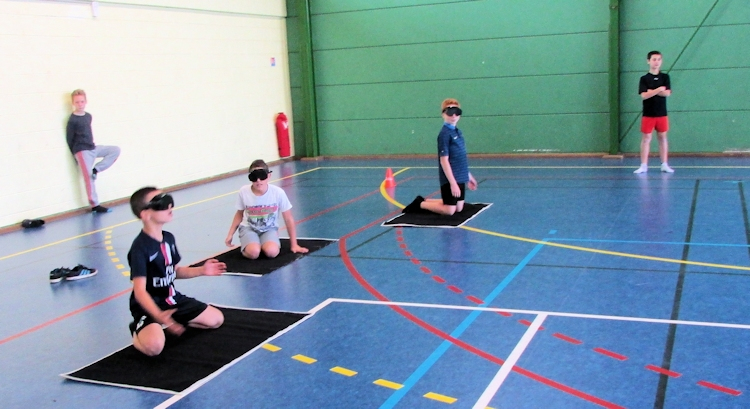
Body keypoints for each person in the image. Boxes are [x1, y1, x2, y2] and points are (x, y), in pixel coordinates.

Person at [127, 187, 225, 356]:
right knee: (154, 348)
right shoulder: (140, 248)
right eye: (160, 203)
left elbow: (175, 271)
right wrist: (159, 315)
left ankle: (171, 319)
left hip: (172, 299)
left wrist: (202, 270)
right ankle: (137, 330)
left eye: (168, 200)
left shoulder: (169, 239)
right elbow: (140, 291)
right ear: (145, 214)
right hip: (148, 306)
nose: (169, 206)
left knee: (216, 320)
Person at [403, 98, 478, 215]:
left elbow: (461, 158)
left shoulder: (458, 132)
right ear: (443, 114)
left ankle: (426, 200)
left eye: (456, 112)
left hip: (460, 175)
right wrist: (452, 183)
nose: (453, 115)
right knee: (450, 211)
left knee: (459, 208)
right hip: (450, 178)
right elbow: (444, 160)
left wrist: (468, 176)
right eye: (449, 112)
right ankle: (420, 204)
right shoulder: (444, 134)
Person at [225, 159, 308, 259]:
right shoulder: (244, 192)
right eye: (254, 177)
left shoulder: (278, 193)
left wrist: (294, 245)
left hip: (269, 229)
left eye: (262, 176)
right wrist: (230, 234)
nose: (258, 180)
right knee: (254, 253)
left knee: (271, 252)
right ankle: (252, 245)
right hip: (249, 228)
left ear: (268, 176)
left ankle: (263, 242)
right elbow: (239, 214)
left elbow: (288, 218)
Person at [65, 89, 121, 213]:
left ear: (86, 102)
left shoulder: (88, 116)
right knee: (88, 178)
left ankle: (97, 169)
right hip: (82, 151)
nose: (80, 104)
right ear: (73, 103)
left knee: (115, 150)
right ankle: (95, 205)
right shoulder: (72, 120)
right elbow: (70, 138)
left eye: (82, 101)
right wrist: (75, 154)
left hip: (92, 147)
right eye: (77, 102)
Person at [634, 51, 673, 174]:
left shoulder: (665, 77)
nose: (656, 62)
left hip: (662, 114)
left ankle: (664, 164)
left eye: (659, 59)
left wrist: (652, 91)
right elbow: (644, 95)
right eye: (654, 59)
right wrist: (658, 89)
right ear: (648, 61)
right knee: (646, 138)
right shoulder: (644, 79)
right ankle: (643, 165)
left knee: (662, 138)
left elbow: (667, 93)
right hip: (648, 114)